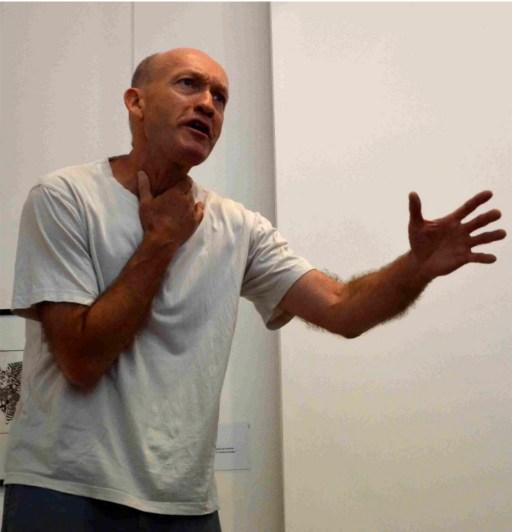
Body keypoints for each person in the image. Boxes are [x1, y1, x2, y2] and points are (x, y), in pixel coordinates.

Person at [2, 48, 506, 532]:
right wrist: (162, 241)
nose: (207, 104)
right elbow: (81, 358)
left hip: (185, 505)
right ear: (136, 102)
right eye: (188, 84)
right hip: (64, 492)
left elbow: (342, 309)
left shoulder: (238, 226)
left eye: (220, 97)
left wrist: (417, 267)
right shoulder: (65, 198)